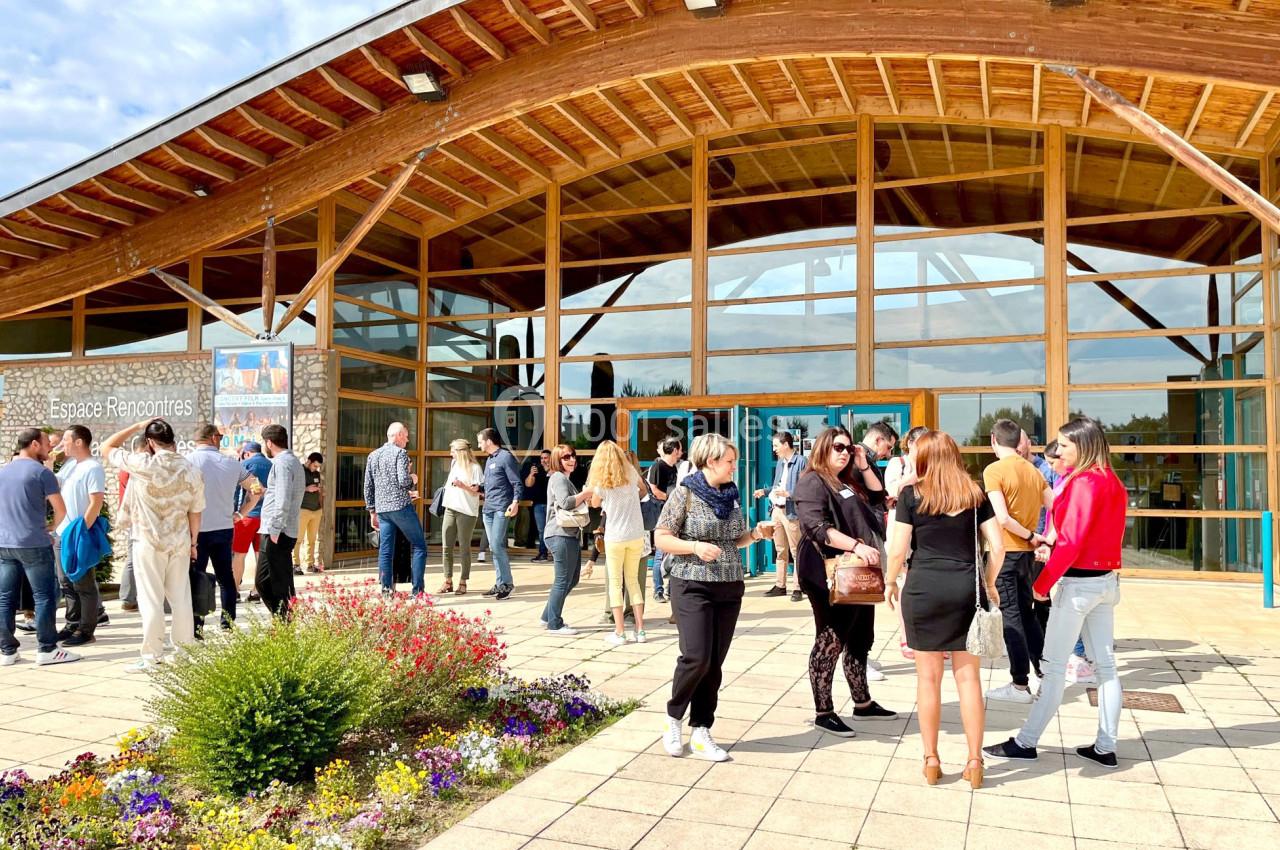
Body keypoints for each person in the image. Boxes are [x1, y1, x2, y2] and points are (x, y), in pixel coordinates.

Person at [985, 417, 1127, 770]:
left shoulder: (1084, 483)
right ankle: (1105, 746)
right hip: (1105, 581)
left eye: (1064, 444)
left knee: (1052, 668)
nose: (1057, 450)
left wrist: (1042, 584)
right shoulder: (1111, 480)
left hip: (1078, 585)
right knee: (1106, 667)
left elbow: (1072, 541)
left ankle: (1026, 742)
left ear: (1083, 444)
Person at [886, 430, 1004, 789]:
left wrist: (890, 582)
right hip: (965, 590)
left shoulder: (911, 495)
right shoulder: (974, 495)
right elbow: (998, 547)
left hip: (923, 589)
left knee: (928, 679)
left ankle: (932, 759)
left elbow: (897, 550)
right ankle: (974, 760)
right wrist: (989, 583)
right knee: (968, 679)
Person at [657, 433, 773, 762]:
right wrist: (693, 547)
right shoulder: (684, 494)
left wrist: (756, 535)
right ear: (711, 461)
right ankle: (673, 718)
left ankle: (701, 729)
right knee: (696, 657)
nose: (734, 467)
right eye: (730, 462)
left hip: (729, 586)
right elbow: (662, 538)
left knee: (715, 664)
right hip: (691, 583)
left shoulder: (731, 497)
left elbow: (734, 540)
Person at [793, 426, 898, 739]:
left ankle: (862, 702)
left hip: (857, 571)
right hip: (825, 569)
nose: (843, 453)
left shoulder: (848, 479)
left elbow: (880, 497)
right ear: (823, 448)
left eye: (848, 448)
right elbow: (815, 526)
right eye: (838, 447)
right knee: (831, 637)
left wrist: (863, 463)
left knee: (861, 637)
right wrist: (855, 545)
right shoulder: (813, 481)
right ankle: (823, 711)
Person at [101, 419, 204, 672]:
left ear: (149, 442)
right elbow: (196, 511)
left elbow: (106, 447)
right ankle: (184, 653)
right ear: (173, 441)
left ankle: (152, 656)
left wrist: (137, 425)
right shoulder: (190, 468)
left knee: (151, 601)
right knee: (181, 599)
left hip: (148, 540)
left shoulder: (143, 464)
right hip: (179, 540)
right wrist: (194, 542)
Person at [983, 419, 1053, 704]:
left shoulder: (994, 470)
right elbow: (1057, 505)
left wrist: (1032, 535)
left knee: (1011, 617)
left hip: (1006, 552)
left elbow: (1002, 518)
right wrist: (1047, 536)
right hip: (1025, 556)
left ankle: (1019, 684)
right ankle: (1046, 673)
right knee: (1027, 615)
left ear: (994, 441)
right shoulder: (1033, 471)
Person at [0, 429, 79, 666]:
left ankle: (7, 651)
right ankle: (47, 649)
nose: (50, 449)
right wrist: (51, 528)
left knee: (5, 598)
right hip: (34, 542)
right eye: (46, 444)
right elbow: (61, 509)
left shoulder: (3, 471)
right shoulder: (42, 473)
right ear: (34, 444)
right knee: (45, 596)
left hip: (5, 543)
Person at [186, 424, 260, 631]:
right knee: (225, 577)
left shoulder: (187, 462)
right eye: (219, 436)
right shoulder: (231, 463)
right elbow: (257, 489)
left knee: (195, 576)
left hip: (195, 530)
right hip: (224, 526)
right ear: (213, 438)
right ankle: (227, 622)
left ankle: (196, 626)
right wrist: (241, 513)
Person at [588, 440, 649, 646]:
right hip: (636, 533)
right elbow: (643, 491)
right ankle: (640, 631)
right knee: (633, 581)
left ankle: (620, 632)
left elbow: (595, 504)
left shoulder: (601, 482)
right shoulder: (631, 473)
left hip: (615, 535)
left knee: (615, 582)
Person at [52, 425, 105, 647]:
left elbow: (96, 502)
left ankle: (86, 629)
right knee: (66, 583)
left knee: (84, 583)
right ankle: (72, 624)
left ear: (79, 442)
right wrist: (48, 461)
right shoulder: (70, 465)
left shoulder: (93, 467)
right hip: (61, 533)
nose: (61, 444)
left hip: (76, 533)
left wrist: (81, 530)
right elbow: (53, 484)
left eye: (65, 440)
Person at [364, 422, 428, 596]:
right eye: (406, 436)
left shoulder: (373, 455)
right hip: (401, 507)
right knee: (419, 545)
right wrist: (413, 478)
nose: (407, 440)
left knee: (386, 550)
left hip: (383, 510)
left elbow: (368, 486)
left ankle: (386, 591)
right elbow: (403, 481)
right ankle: (418, 592)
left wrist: (372, 511)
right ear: (398, 435)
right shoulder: (400, 453)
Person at [884, 425, 928, 659]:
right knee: (904, 586)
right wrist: (915, 477)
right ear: (910, 443)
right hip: (901, 528)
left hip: (925, 531)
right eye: (920, 442)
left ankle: (929, 637)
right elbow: (892, 492)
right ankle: (907, 637)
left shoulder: (932, 464)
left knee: (925, 585)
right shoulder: (897, 464)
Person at [541, 445, 593, 636]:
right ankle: (554, 624)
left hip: (567, 534)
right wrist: (585, 494)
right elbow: (565, 503)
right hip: (560, 533)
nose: (572, 460)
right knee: (563, 580)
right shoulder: (558, 478)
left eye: (573, 456)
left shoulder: (563, 478)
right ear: (558, 460)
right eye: (566, 457)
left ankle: (547, 615)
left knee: (572, 578)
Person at [257, 424, 306, 617]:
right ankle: (284, 620)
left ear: (269, 442)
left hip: (277, 530)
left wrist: (276, 528)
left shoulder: (282, 463)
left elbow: (284, 498)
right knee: (274, 580)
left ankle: (285, 622)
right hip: (280, 528)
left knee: (273, 582)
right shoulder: (291, 461)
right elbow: (283, 494)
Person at [753, 431, 807, 602]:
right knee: (780, 550)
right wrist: (765, 491)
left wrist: (789, 493)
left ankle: (798, 588)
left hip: (791, 511)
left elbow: (807, 487)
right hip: (777, 509)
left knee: (796, 550)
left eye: (776, 445)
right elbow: (778, 486)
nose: (774, 449)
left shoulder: (802, 462)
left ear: (785, 444)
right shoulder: (780, 463)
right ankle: (780, 585)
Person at [477, 428, 522, 600]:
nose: (479, 444)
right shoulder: (489, 460)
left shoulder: (506, 457)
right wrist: (478, 488)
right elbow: (490, 485)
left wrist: (515, 502)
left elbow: (516, 483)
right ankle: (500, 583)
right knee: (494, 548)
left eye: (480, 441)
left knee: (496, 545)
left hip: (501, 508)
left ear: (489, 441)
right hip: (488, 509)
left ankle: (508, 585)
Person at [441, 438, 483, 595]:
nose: (450, 453)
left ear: (461, 452)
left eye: (453, 450)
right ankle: (447, 580)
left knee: (464, 547)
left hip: (467, 512)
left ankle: (463, 581)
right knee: (446, 546)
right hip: (450, 508)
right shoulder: (454, 465)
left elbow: (478, 492)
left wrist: (462, 486)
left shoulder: (475, 468)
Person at [646, 437, 683, 604]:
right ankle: (658, 590)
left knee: (672, 554)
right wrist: (671, 501)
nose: (681, 452)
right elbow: (653, 489)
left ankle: (670, 589)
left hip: (673, 515)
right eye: (680, 449)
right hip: (662, 515)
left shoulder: (674, 467)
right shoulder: (658, 466)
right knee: (661, 554)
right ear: (674, 450)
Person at [231, 442, 269, 599]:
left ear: (246, 453)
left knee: (239, 554)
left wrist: (236, 512)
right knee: (260, 555)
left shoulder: (244, 464)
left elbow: (237, 491)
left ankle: (235, 591)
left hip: (246, 517)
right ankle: (256, 591)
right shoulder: (271, 464)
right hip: (265, 517)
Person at [294, 452, 325, 574]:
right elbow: (293, 489)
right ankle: (295, 564)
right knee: (298, 539)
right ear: (309, 461)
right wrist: (306, 489)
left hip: (316, 510)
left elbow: (319, 490)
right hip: (303, 509)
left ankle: (310, 564)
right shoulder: (299, 472)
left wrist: (321, 504)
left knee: (312, 540)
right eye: (315, 466)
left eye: (317, 467)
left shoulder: (316, 474)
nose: (316, 469)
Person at [523, 449, 551, 562]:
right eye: (542, 458)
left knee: (553, 530)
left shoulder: (555, 471)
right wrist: (531, 474)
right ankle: (543, 553)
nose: (543, 460)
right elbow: (528, 484)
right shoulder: (537, 470)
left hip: (552, 505)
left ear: (551, 458)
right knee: (541, 530)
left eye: (546, 458)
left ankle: (554, 553)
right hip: (538, 504)